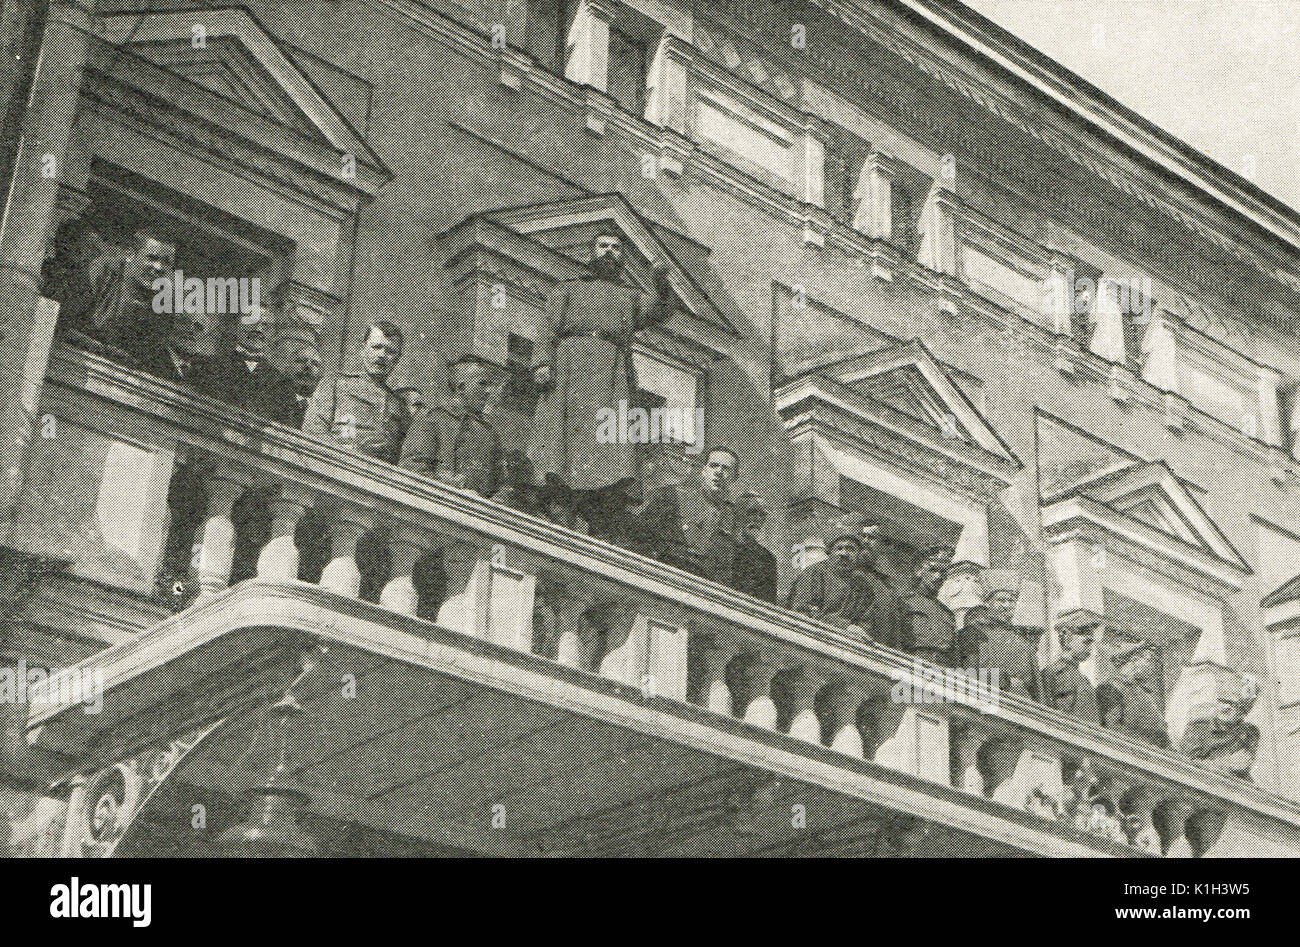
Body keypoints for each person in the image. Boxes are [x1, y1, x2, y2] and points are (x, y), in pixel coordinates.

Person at [529, 232, 673, 528]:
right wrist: (542, 363)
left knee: (606, 437)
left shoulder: (629, 296)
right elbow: (547, 329)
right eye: (603, 246)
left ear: (623, 256)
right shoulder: (568, 288)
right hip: (571, 366)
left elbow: (661, 310)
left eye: (616, 248)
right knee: (563, 433)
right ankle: (559, 498)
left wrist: (660, 280)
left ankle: (598, 501)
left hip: (611, 372)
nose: (609, 252)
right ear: (592, 252)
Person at [399, 355, 503, 497]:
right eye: (482, 384)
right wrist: (452, 487)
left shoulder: (490, 435)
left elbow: (501, 486)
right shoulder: (432, 419)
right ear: (461, 387)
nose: (488, 391)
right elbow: (411, 468)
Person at [304, 321, 407, 463]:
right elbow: (314, 430)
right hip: (337, 466)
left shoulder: (399, 405)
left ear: (397, 359)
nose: (382, 355)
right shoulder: (335, 384)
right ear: (363, 350)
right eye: (376, 347)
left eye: (390, 351)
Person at [635, 446, 737, 584]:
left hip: (706, 588)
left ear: (734, 478)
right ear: (704, 470)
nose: (718, 472)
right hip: (666, 578)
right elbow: (639, 536)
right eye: (713, 466)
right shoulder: (673, 495)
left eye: (725, 468)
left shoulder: (734, 518)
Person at [194, 306, 296, 423]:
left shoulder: (281, 383)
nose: (259, 329)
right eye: (252, 321)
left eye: (266, 325)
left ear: (272, 335)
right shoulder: (209, 366)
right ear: (236, 326)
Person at [96, 231, 178, 362]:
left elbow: (151, 354)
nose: (159, 267)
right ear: (130, 255)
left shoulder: (165, 304)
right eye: (152, 258)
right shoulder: (105, 273)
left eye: (166, 262)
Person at [965, 569, 1041, 700]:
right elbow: (967, 675)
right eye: (1001, 600)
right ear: (987, 603)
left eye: (1011, 601)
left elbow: (1037, 689)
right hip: (987, 704)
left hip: (1023, 709)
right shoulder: (973, 633)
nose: (1006, 605)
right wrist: (1004, 680)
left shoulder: (1023, 642)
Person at [786, 528, 870, 637]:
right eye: (839, 548)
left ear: (858, 555)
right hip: (810, 636)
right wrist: (845, 626)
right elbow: (804, 611)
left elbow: (865, 624)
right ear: (830, 552)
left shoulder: (862, 585)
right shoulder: (814, 573)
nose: (844, 553)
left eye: (851, 549)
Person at [1179, 675, 1260, 780]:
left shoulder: (1250, 732)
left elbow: (1243, 765)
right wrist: (1227, 763)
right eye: (1223, 701)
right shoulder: (1198, 727)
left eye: (1233, 705)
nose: (1226, 707)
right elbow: (1185, 766)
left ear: (1243, 712)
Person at [1096, 641, 1171, 748]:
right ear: (1135, 659)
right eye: (1151, 661)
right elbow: (1111, 727)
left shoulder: (1145, 696)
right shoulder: (1110, 688)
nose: (1154, 668)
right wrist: (1148, 744)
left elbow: (1161, 732)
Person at [854, 517, 910, 651]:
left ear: (881, 546)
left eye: (872, 538)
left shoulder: (887, 587)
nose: (865, 542)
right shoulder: (845, 573)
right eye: (862, 536)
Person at [1042, 615, 1100, 724]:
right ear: (1068, 640)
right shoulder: (1052, 673)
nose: (1090, 649)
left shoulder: (1083, 679)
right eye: (1086, 642)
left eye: (1091, 643)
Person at [905, 545, 957, 665]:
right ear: (918, 571)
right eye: (933, 570)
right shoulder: (904, 603)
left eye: (943, 572)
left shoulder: (948, 615)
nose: (938, 576)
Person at [731, 492, 778, 603]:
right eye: (752, 512)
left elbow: (768, 602)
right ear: (739, 515)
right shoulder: (724, 547)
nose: (757, 519)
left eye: (762, 515)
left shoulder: (767, 558)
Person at [283, 342, 322, 428]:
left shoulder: (323, 412)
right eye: (301, 361)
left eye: (315, 364)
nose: (308, 366)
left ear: (320, 376)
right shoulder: (270, 399)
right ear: (287, 369)